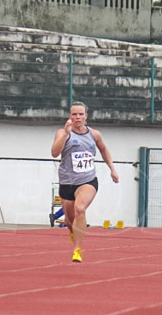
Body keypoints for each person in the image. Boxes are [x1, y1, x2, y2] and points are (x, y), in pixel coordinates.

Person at [50, 102, 119, 262]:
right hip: (67, 183)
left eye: (81, 114)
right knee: (69, 220)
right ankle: (74, 232)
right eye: (74, 114)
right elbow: (54, 153)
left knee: (80, 209)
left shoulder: (94, 135)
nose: (77, 117)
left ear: (86, 116)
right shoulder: (62, 132)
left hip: (87, 180)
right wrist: (66, 134)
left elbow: (103, 149)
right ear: (69, 117)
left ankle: (77, 250)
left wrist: (112, 169)